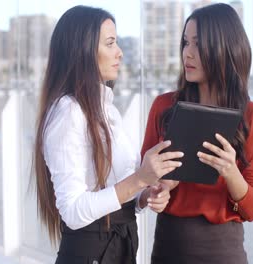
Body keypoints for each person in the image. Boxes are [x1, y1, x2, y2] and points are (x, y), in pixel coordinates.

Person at [33, 5, 184, 264]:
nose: (120, 53)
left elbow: (115, 192)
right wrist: (139, 179)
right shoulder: (68, 112)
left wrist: (145, 195)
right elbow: (72, 210)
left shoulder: (106, 108)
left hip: (120, 246)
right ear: (82, 51)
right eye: (110, 43)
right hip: (91, 252)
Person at [141, 3, 253, 264]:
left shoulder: (251, 117)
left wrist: (230, 171)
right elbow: (144, 181)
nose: (187, 53)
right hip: (168, 248)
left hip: (224, 252)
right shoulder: (164, 107)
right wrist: (159, 189)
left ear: (224, 47)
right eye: (186, 43)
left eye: (197, 44)